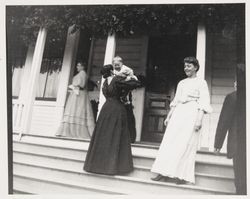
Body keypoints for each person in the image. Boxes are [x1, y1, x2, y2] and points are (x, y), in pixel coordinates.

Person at [151, 57, 212, 185]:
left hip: (192, 113)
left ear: (195, 67)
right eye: (185, 66)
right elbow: (176, 101)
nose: (186, 68)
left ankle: (182, 175)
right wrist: (169, 116)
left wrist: (199, 120)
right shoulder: (182, 83)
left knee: (186, 144)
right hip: (179, 112)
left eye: (189, 66)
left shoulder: (202, 83)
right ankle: (162, 171)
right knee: (170, 142)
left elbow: (204, 102)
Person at [83, 64, 140, 175]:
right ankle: (115, 166)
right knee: (116, 135)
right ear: (112, 71)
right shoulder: (117, 79)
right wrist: (131, 76)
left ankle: (97, 165)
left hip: (106, 109)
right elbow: (136, 84)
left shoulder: (104, 83)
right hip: (117, 109)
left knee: (104, 135)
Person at [56, 62, 95, 139]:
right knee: (73, 110)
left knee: (78, 110)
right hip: (76, 93)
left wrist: (74, 86)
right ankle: (67, 131)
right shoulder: (81, 73)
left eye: (79, 65)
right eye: (77, 65)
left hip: (79, 95)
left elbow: (82, 85)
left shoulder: (83, 73)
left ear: (83, 66)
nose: (77, 67)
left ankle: (76, 131)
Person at [214, 81, 239, 194]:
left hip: (239, 145)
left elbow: (224, 122)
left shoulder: (233, 97)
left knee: (241, 181)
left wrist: (218, 144)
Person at [113, 56, 137, 143]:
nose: (116, 66)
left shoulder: (127, 70)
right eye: (114, 64)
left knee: (129, 117)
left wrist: (128, 78)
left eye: (118, 64)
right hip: (117, 97)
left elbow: (134, 80)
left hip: (126, 97)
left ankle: (131, 138)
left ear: (121, 63)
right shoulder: (113, 71)